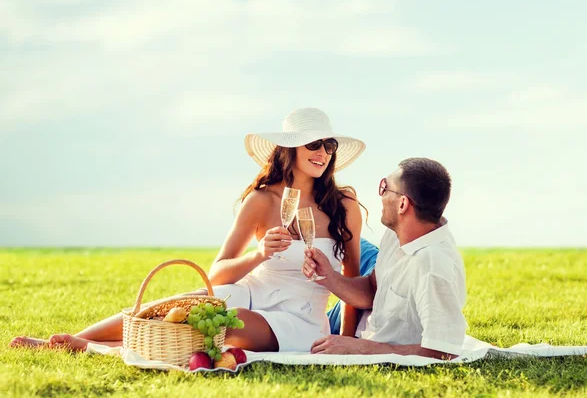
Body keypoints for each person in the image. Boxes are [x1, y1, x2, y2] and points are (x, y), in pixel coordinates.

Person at [10, 107, 366, 353]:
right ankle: (71, 340)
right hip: (247, 293)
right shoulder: (261, 201)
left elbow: (352, 282)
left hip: (299, 318)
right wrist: (260, 254)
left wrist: (348, 343)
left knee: (220, 323)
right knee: (174, 307)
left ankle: (96, 347)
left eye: (329, 145)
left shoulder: (344, 205)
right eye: (314, 143)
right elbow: (219, 272)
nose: (323, 153)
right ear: (290, 148)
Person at [304, 157, 467, 359]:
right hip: (369, 318)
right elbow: (373, 288)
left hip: (366, 333)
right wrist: (328, 276)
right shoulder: (397, 232)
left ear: (402, 204)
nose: (380, 195)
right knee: (341, 236)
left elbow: (443, 350)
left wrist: (360, 347)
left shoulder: (432, 267)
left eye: (384, 188)